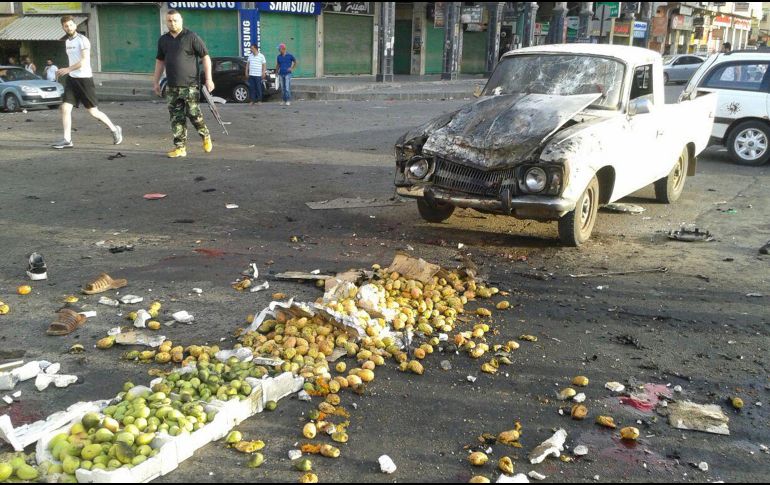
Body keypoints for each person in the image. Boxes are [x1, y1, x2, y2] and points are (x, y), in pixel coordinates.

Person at [52, 16, 122, 150]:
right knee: (65, 108)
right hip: (72, 79)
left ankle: (114, 129)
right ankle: (67, 140)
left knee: (93, 112)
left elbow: (84, 61)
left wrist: (67, 69)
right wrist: (69, 71)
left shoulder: (83, 40)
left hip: (84, 79)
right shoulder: (67, 42)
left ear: (75, 25)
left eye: (71, 25)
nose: (69, 28)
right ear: (63, 27)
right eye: (66, 26)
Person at [153, 9, 214, 158]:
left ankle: (205, 135)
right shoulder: (163, 40)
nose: (172, 23)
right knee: (176, 117)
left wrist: (209, 78)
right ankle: (180, 148)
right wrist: (156, 81)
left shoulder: (191, 37)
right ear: (166, 21)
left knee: (193, 113)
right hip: (172, 86)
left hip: (190, 85)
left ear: (181, 21)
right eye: (169, 21)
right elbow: (160, 62)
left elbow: (205, 57)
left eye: (175, 20)